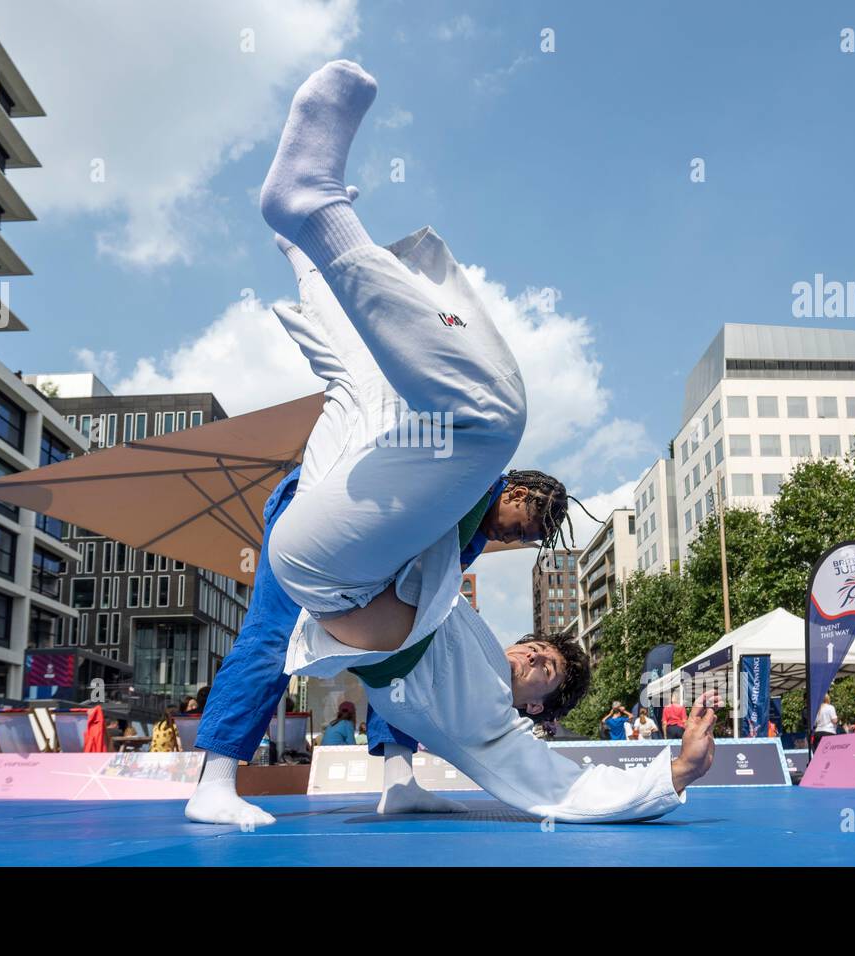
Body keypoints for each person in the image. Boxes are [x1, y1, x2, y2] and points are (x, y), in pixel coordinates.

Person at [256, 60, 719, 821]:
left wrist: (672, 773)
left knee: (492, 419)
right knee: (362, 383)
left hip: (328, 575)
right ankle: (308, 246)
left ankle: (312, 209)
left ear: (542, 709)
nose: (535, 659)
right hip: (332, 532)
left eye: (544, 673)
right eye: (538, 650)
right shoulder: (466, 625)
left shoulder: (490, 729)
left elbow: (562, 787)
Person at [185, 200, 578, 827]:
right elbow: (361, 364)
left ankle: (399, 776)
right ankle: (214, 777)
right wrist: (312, 257)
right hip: (313, 521)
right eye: (523, 520)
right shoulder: (466, 467)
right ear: (513, 488)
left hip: (355, 560)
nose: (519, 535)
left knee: (412, 649)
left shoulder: (469, 528)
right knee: (272, 636)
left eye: (528, 538)